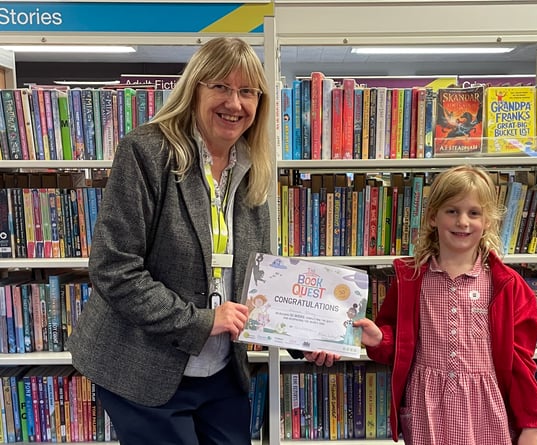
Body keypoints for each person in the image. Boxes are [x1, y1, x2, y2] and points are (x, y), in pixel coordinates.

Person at [67, 37, 336, 445]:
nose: (235, 103)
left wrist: (312, 337)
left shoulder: (253, 166)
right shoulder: (147, 152)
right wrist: (201, 321)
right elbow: (114, 268)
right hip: (144, 370)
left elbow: (260, 279)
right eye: (221, 87)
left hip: (222, 371)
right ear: (194, 88)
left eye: (248, 91)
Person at [354, 165, 537, 445]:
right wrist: (380, 338)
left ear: (488, 221)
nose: (463, 222)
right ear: (433, 217)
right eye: (452, 211)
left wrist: (530, 423)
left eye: (474, 213)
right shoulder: (410, 279)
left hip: (486, 410)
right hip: (426, 407)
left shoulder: (507, 286)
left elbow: (521, 363)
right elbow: (399, 345)